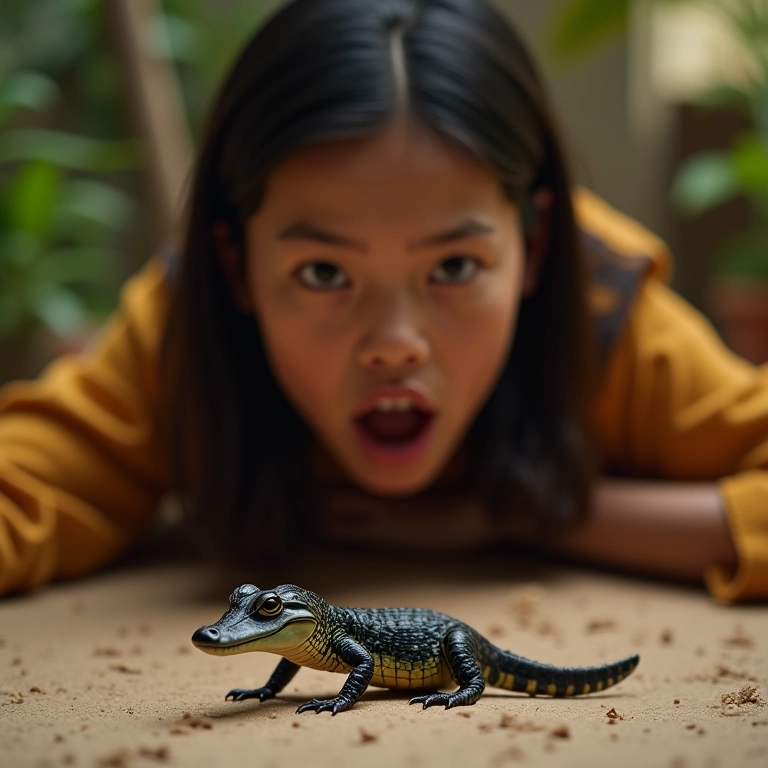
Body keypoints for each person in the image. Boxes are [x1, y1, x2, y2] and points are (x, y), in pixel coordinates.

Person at [0, 0, 765, 601]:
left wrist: (527, 517)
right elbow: (28, 484)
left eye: (456, 266)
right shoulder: (181, 331)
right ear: (237, 266)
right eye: (325, 275)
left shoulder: (607, 312)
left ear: (532, 246)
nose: (396, 344)